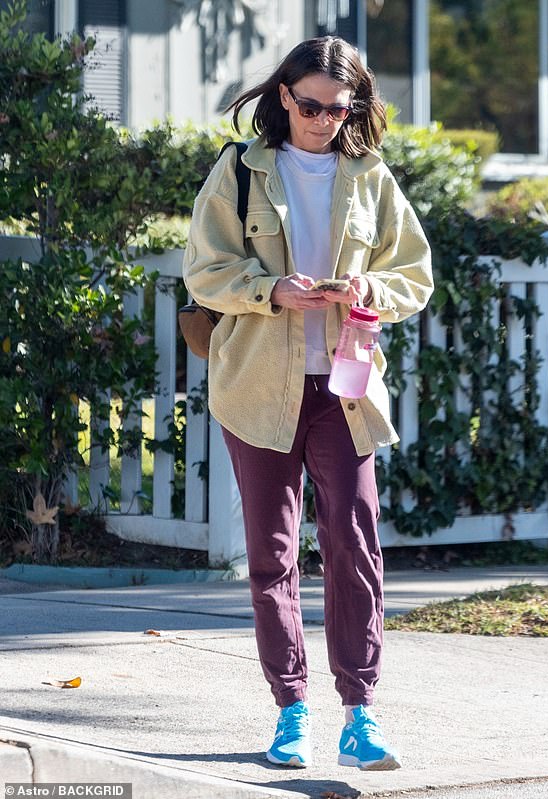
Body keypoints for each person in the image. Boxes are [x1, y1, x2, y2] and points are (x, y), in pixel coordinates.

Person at [182, 35, 433, 771]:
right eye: (310, 105)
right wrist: (271, 291)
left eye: (338, 107)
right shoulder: (241, 170)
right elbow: (205, 270)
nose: (323, 119)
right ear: (284, 97)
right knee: (273, 553)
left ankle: (361, 711)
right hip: (259, 386)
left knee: (356, 543)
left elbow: (411, 271)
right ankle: (291, 710)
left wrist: (372, 291)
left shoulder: (370, 175)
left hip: (344, 387)